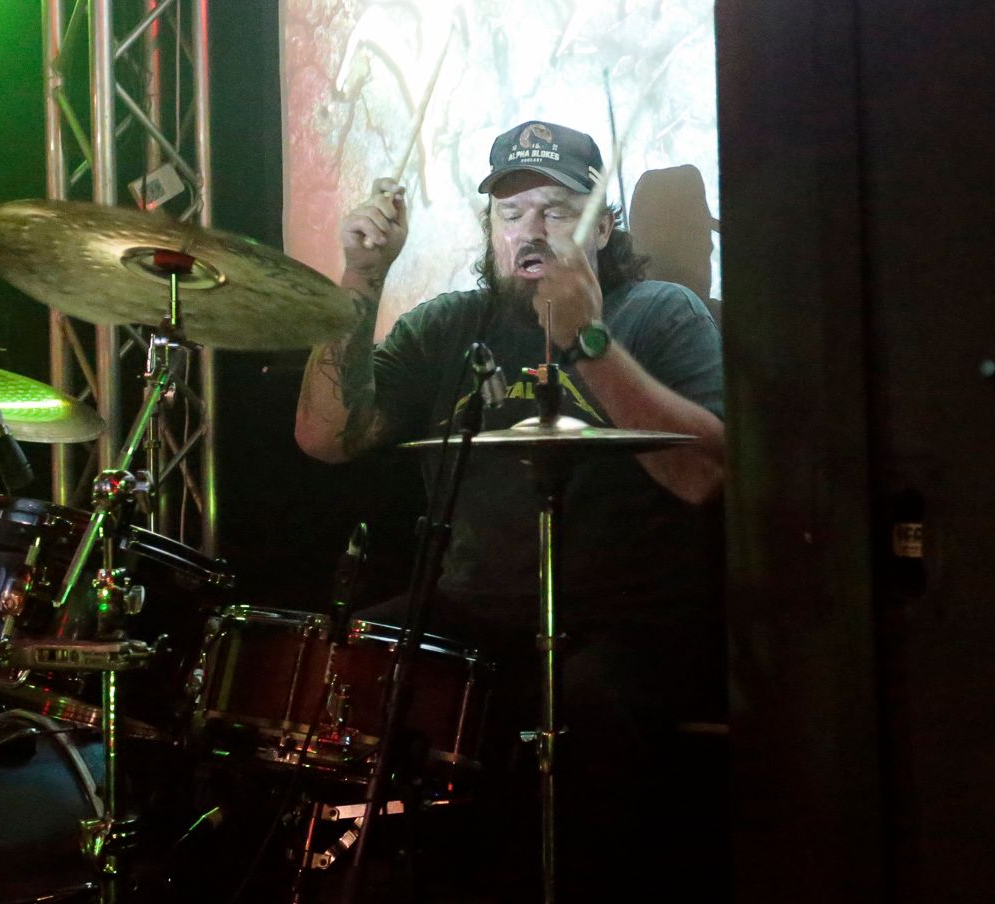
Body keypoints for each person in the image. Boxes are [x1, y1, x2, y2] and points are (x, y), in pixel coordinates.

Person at [295, 120, 727, 900]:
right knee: (343, 668)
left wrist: (588, 340)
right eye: (511, 212)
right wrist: (360, 275)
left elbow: (703, 476)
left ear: (604, 229)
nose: (530, 230)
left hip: (622, 623)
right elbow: (327, 437)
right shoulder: (448, 326)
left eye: (557, 211)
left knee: (588, 710)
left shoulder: (662, 313)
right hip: (471, 614)